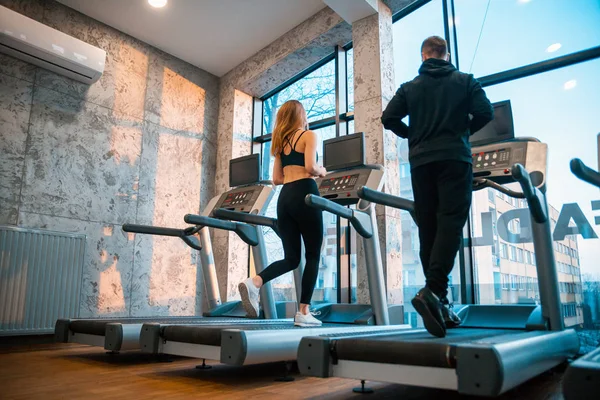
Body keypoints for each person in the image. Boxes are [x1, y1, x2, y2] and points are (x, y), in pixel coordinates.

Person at [381, 36, 493, 338]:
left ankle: (439, 300)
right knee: (451, 224)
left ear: (423, 56)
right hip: (454, 159)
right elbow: (486, 112)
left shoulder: (410, 87)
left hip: (421, 163)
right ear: (446, 55)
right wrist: (461, 131)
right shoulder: (465, 81)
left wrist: (412, 135)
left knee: (428, 226)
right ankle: (434, 291)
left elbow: (388, 118)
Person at [238, 100, 327, 327]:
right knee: (313, 255)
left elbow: (277, 179)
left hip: (285, 198)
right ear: (301, 115)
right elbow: (310, 167)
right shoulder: (308, 135)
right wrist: (322, 171)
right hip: (305, 194)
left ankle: (255, 282)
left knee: (291, 258)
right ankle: (303, 312)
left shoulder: (280, 143)